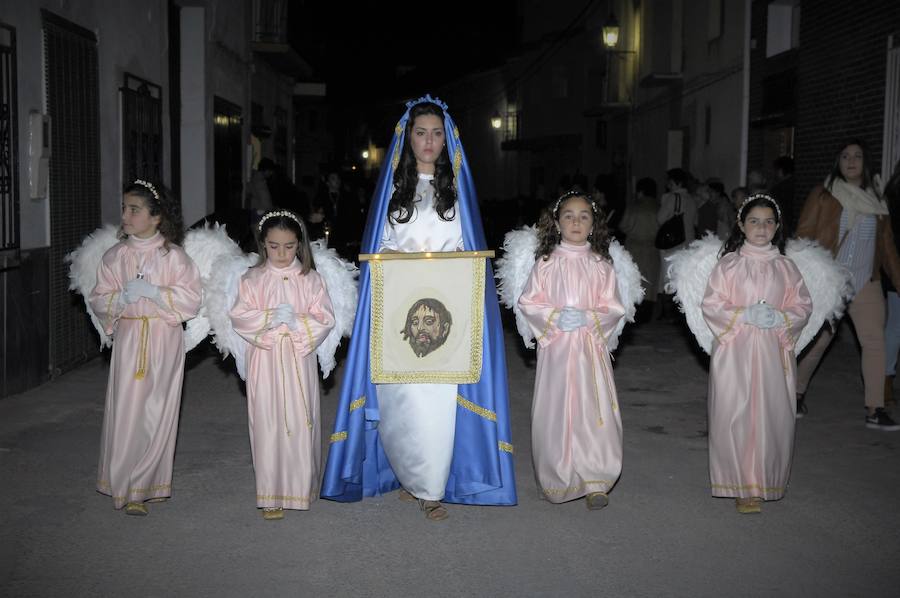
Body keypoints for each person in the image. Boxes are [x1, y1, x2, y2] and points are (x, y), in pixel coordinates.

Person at [321, 95, 517, 519]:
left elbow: (470, 249)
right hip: (400, 311)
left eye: (436, 134)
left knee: (439, 398)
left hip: (449, 311)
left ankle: (431, 487)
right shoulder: (392, 191)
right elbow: (380, 249)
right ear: (407, 138)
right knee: (402, 399)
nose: (429, 142)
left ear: (447, 140)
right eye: (421, 133)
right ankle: (411, 476)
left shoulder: (459, 192)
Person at [88, 180, 202, 515]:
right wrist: (119, 299)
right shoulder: (115, 256)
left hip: (163, 337)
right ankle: (123, 482)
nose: (125, 215)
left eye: (133, 209)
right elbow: (99, 296)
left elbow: (190, 300)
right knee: (126, 409)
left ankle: (145, 484)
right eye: (124, 208)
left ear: (156, 217)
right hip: (129, 336)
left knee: (158, 409)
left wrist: (156, 294)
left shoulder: (174, 257)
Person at [701, 193, 812, 513]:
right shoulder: (730, 264)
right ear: (741, 224)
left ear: (777, 227)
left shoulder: (786, 267)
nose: (761, 228)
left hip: (772, 352)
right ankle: (740, 484)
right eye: (754, 221)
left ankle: (764, 479)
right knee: (735, 412)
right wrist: (742, 315)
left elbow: (802, 305)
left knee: (770, 414)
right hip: (736, 349)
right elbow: (712, 303)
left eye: (768, 222)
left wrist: (781, 318)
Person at [517, 190, 626, 509]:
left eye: (584, 216)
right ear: (556, 222)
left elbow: (614, 306)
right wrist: (552, 317)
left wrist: (591, 317)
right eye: (569, 215)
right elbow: (528, 302)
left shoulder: (601, 264)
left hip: (590, 348)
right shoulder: (547, 263)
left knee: (593, 408)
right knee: (558, 409)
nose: (576, 222)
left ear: (594, 224)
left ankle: (596, 477)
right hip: (558, 348)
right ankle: (558, 477)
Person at [229, 210, 335, 520]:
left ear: (299, 244)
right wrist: (269, 319)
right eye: (274, 246)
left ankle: (299, 488)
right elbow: (238, 315)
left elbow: (326, 317)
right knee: (268, 420)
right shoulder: (252, 278)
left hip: (297, 358)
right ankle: (271, 492)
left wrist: (299, 321)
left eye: (289, 246)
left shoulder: (311, 279)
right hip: (266, 358)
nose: (281, 253)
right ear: (263, 244)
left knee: (301, 418)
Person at [795, 139, 900, 430]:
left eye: (857, 156)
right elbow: (803, 235)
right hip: (831, 281)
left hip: (866, 281)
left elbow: (887, 246)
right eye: (845, 156)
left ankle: (875, 408)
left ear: (866, 163)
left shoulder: (877, 199)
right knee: (819, 340)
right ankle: (796, 393)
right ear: (838, 162)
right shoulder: (825, 194)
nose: (851, 161)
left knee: (874, 342)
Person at [656, 168, 697, 319]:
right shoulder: (691, 199)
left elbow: (660, 218)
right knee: (683, 278)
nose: (667, 183)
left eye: (669, 180)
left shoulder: (672, 198)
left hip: (672, 244)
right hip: (688, 242)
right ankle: (680, 313)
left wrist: (664, 200)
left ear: (675, 182)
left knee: (668, 278)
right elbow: (695, 221)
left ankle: (668, 313)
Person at [620, 177, 659, 322]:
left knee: (634, 280)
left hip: (634, 248)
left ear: (640, 191)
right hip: (652, 248)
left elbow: (624, 225)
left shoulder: (633, 207)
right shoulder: (658, 206)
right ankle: (648, 313)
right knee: (650, 282)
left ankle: (634, 311)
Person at [882, 162, 900, 409]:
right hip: (897, 266)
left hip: (894, 264)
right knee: (895, 326)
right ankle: (885, 379)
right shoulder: (894, 193)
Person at [770, 156, 795, 236]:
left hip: (783, 229)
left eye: (774, 171)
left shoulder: (777, 190)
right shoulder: (799, 186)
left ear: (780, 171)